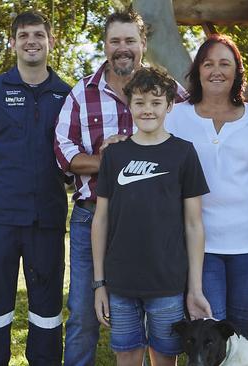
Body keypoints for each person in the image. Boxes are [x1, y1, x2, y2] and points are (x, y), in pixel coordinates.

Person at [54, 8, 186, 365]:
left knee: (156, 313)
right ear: (105, 45)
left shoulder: (167, 90)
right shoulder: (82, 93)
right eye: (115, 41)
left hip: (154, 223)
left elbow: (193, 133)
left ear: (142, 43)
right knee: (83, 312)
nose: (123, 47)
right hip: (92, 215)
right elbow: (63, 152)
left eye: (130, 40)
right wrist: (111, 162)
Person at [0, 11, 70, 366]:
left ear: (51, 42)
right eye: (23, 36)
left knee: (47, 310)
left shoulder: (66, 95)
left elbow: (73, 152)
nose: (31, 41)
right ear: (13, 44)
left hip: (47, 222)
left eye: (39, 34)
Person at [92, 67, 212, 366]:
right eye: (140, 102)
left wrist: (194, 288)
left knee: (164, 358)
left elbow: (194, 224)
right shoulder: (115, 156)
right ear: (129, 105)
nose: (148, 110)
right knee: (128, 357)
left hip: (168, 283)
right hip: (120, 283)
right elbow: (101, 219)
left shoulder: (183, 153)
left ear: (169, 105)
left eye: (156, 102)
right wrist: (99, 284)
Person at [165, 33, 248, 343]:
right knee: (209, 335)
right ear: (197, 71)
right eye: (208, 64)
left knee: (243, 336)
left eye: (225, 63)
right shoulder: (175, 116)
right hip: (202, 247)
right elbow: (148, 147)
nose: (216, 71)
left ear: (237, 71)